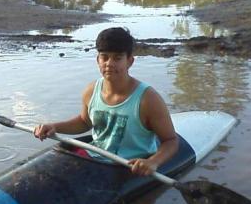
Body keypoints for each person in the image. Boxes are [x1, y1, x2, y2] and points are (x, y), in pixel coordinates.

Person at [34, 27, 178, 176]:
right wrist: (54, 127)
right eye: (105, 57)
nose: (109, 63)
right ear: (98, 60)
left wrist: (153, 162)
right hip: (95, 158)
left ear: (130, 61)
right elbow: (85, 122)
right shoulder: (91, 91)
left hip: (130, 166)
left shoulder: (148, 99)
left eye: (117, 58)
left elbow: (170, 141)